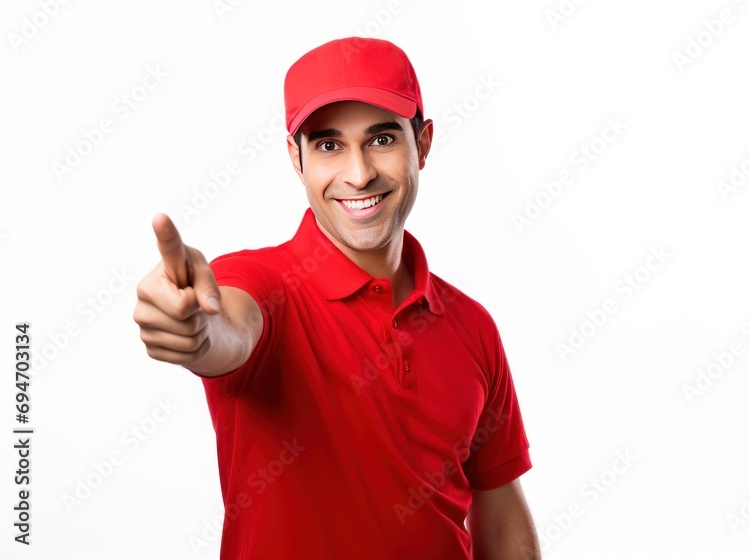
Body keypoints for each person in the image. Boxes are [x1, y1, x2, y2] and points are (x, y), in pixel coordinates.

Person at [133, 37, 540, 559]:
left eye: (382, 139)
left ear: (424, 144)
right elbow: (229, 330)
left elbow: (500, 508)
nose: (359, 173)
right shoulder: (260, 282)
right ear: (295, 159)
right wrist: (197, 332)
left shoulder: (473, 326)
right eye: (329, 145)